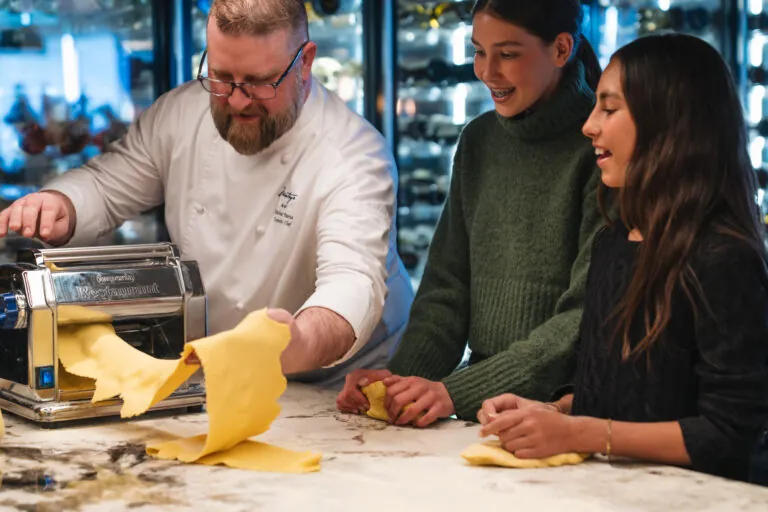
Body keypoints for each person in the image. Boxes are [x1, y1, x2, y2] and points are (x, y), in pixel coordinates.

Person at [0, 0, 413, 387]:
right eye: (222, 77)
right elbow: (107, 185)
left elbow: (352, 283)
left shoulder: (352, 154)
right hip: (224, 373)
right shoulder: (181, 114)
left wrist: (298, 342)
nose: (238, 101)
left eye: (260, 82)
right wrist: (63, 204)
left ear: (304, 63)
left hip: (336, 388)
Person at [477, 33, 768, 484]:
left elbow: (728, 432)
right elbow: (612, 391)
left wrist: (580, 432)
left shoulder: (723, 259)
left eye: (609, 109)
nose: (589, 126)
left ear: (669, 123)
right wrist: (552, 412)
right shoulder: (613, 241)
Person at [337, 0, 604, 426]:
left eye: (508, 54)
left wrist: (454, 392)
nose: (486, 71)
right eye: (479, 51)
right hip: (481, 406)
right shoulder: (478, 140)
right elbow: (446, 291)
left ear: (561, 49)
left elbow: (583, 318)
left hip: (565, 412)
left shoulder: (603, 150)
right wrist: (400, 383)